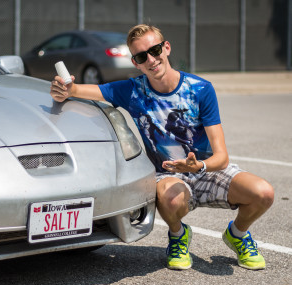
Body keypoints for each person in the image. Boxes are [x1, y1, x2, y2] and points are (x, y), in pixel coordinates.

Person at [50, 24, 274, 270]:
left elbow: (221, 157)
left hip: (206, 169)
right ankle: (178, 236)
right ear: (136, 63)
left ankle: (238, 235)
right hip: (168, 175)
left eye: (155, 50)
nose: (151, 59)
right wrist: (65, 90)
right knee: (169, 197)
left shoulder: (200, 89)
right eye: (141, 56)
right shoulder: (133, 91)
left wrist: (198, 166)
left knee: (263, 193)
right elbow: (81, 90)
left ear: (166, 48)